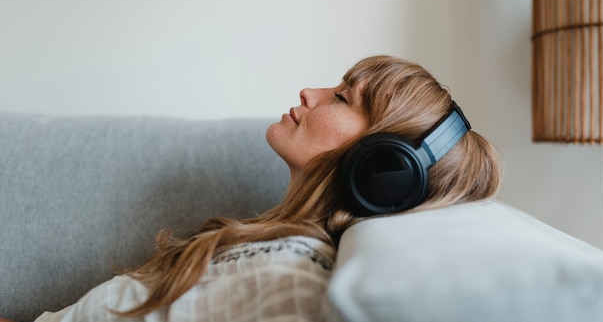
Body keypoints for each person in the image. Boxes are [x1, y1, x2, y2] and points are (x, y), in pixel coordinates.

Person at [6, 54, 501, 322]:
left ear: (382, 166)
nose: (310, 91)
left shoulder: (295, 278)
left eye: (343, 96)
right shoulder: (271, 248)